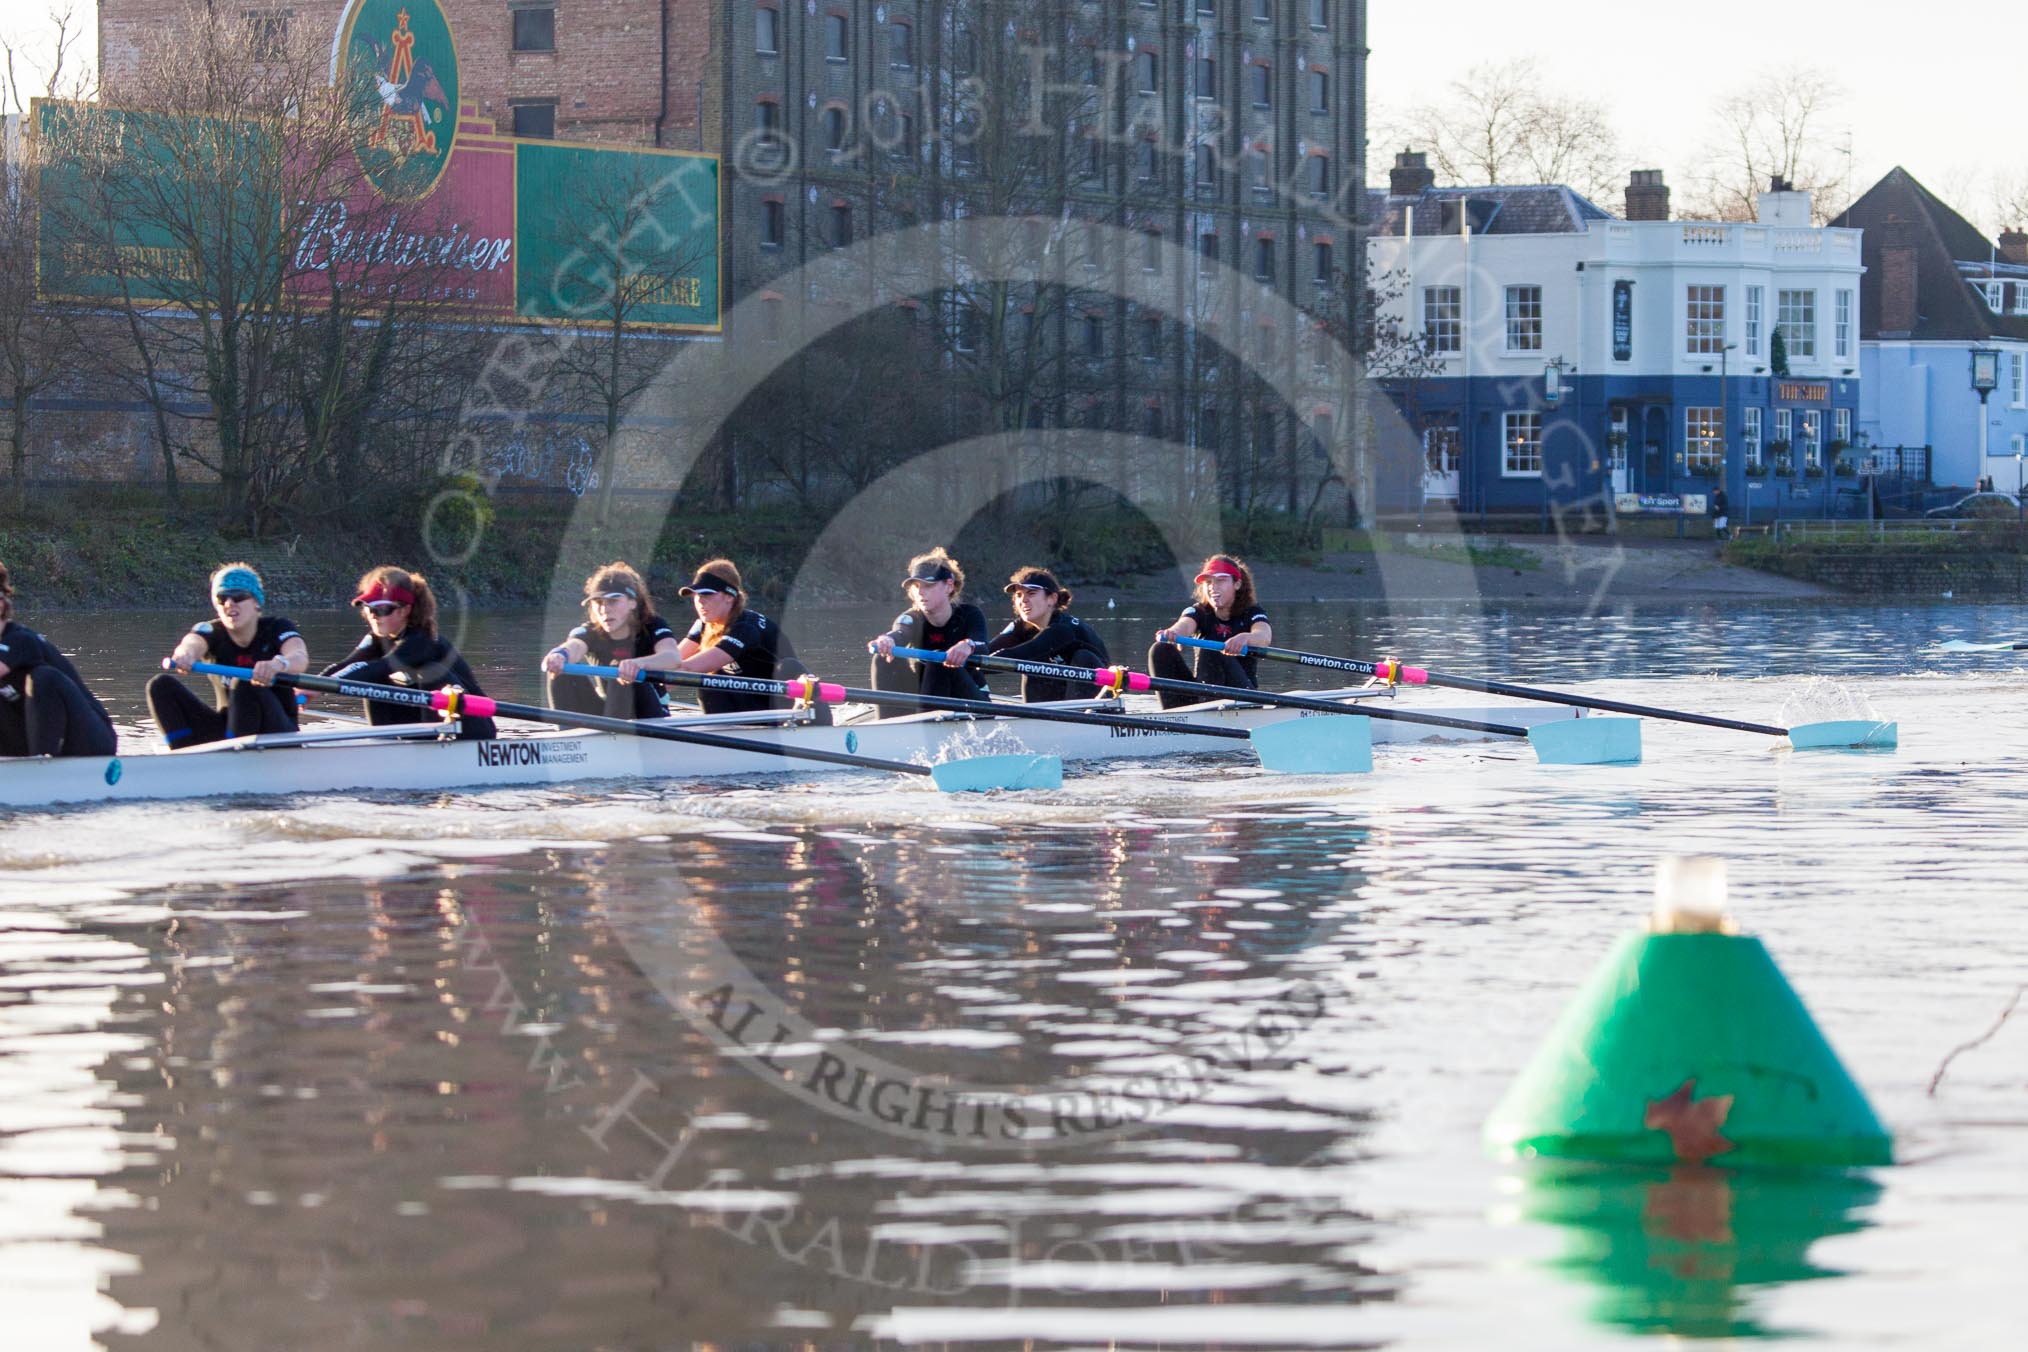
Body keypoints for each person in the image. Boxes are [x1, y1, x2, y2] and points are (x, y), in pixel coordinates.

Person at [321, 565, 497, 740]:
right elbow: (347, 666)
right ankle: (383, 742)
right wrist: (307, 687)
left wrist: (324, 686)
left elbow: (380, 667)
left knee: (427, 670)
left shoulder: (422, 640)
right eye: (369, 608)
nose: (373, 615)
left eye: (382, 609)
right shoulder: (377, 638)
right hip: (426, 720)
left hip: (474, 727)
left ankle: (427, 748)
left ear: (404, 610)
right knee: (373, 680)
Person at [149, 563, 308, 747]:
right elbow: (191, 643)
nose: (229, 603)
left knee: (243, 681)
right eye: (222, 598)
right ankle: (183, 758)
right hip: (229, 730)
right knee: (160, 685)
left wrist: (278, 664)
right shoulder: (210, 631)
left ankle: (233, 759)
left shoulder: (278, 627)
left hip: (276, 731)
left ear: (256, 601)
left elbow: (299, 656)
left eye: (238, 596)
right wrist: (185, 654)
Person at [625, 558, 809, 716]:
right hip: (747, 701)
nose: (700, 601)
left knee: (708, 681)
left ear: (730, 597)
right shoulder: (703, 625)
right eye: (696, 595)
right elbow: (672, 661)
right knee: (711, 683)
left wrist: (640, 669)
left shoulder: (745, 628)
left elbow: (688, 668)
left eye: (707, 595)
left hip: (781, 706)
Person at [0, 560, 117, 758]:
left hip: (92, 739)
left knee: (43, 677)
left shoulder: (21, 639)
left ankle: (42, 773)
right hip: (35, 739)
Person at [540, 562, 679, 720]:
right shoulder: (590, 631)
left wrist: (638, 664)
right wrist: (559, 656)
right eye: (598, 603)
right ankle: (568, 739)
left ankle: (612, 736)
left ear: (633, 602)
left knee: (619, 668)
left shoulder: (653, 625)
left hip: (649, 714)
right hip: (608, 712)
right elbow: (574, 647)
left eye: (613, 601)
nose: (604, 609)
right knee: (562, 670)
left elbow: (672, 657)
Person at [867, 547, 991, 717]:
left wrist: (968, 645)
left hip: (970, 698)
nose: (920, 592)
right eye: (916, 586)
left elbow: (983, 645)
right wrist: (887, 640)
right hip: (926, 696)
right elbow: (899, 634)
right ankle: (886, 726)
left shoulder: (970, 614)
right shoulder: (911, 618)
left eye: (928, 585)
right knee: (883, 657)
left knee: (939, 659)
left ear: (949, 585)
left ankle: (926, 728)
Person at [1147, 554, 1272, 709]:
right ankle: (1173, 716)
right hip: (1204, 693)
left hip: (1241, 695)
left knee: (1212, 648)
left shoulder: (1252, 612)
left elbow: (1264, 636)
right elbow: (1184, 625)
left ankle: (1207, 713)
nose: (1213, 587)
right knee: (1160, 649)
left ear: (1237, 584)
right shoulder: (1198, 611)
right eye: (1208, 582)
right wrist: (1173, 633)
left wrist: (1245, 638)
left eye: (1221, 580)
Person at [986, 566, 1112, 703]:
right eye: (1019, 595)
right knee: (1033, 662)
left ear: (1052, 599)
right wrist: (964, 657)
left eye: (1031, 593)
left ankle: (1074, 717)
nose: (1023, 600)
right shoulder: (1019, 627)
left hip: (1098, 698)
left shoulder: (1063, 629)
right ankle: (1034, 717)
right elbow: (986, 652)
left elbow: (1017, 655)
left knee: (1078, 657)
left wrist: (974, 664)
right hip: (1061, 692)